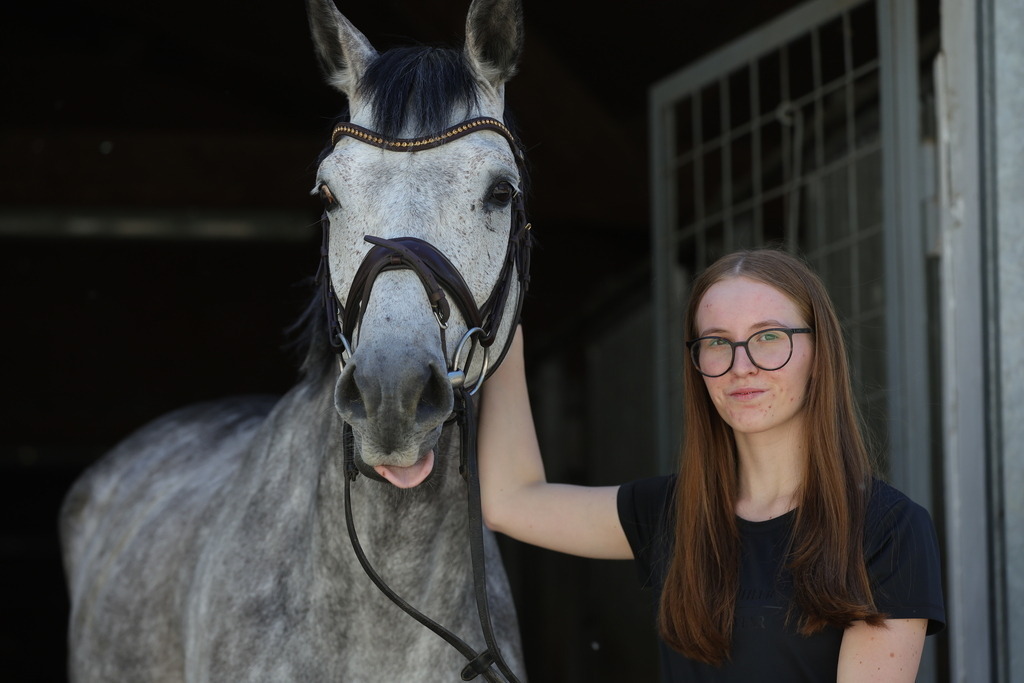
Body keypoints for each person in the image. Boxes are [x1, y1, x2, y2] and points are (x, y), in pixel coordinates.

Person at [479, 247, 945, 682]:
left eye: (768, 337)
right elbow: (508, 502)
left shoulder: (888, 530)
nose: (742, 365)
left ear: (818, 353)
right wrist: (500, 333)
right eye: (718, 342)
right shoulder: (673, 513)